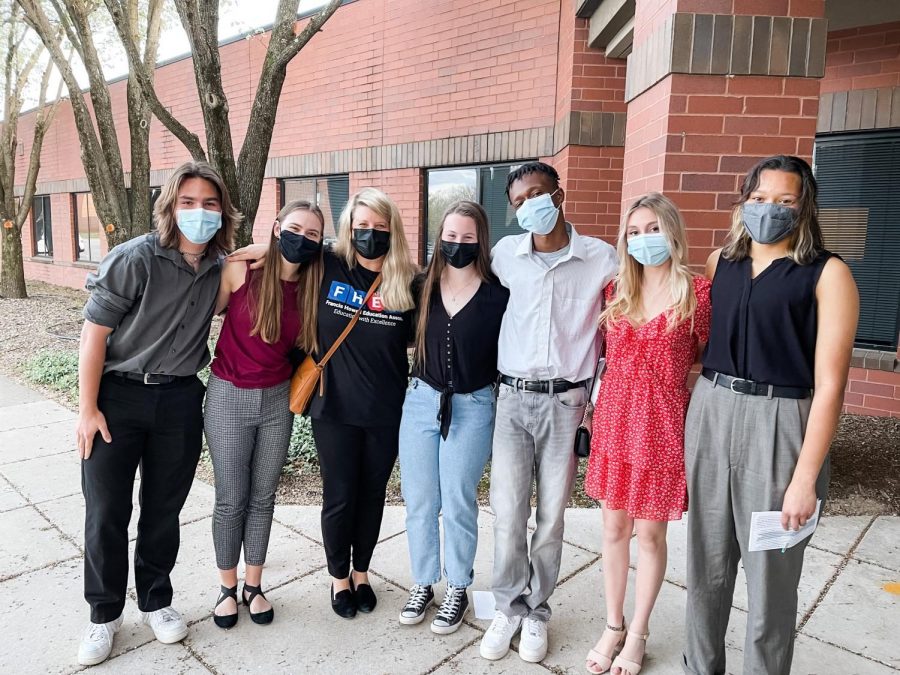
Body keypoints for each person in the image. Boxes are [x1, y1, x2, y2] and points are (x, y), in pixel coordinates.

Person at [682, 155, 858, 675]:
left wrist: (805, 479)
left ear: (804, 207)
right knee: (706, 567)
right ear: (743, 201)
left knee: (770, 577)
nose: (769, 209)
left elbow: (830, 386)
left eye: (785, 201)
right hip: (712, 411)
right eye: (759, 198)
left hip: (782, 422)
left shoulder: (828, 274)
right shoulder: (721, 263)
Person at [75, 161, 239, 666]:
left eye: (210, 203)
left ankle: (156, 600)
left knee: (163, 510)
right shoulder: (135, 259)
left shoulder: (220, 265)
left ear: (223, 212)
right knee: (106, 512)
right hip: (118, 398)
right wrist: (87, 410)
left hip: (180, 399)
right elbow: (94, 335)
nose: (199, 212)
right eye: (187, 202)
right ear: (169, 207)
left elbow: (241, 283)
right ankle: (103, 615)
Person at [480, 161, 618, 663]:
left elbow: (618, 333)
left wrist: (597, 405)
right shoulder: (503, 257)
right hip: (512, 399)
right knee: (508, 512)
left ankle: (537, 611)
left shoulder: (603, 259)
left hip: (567, 401)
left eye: (536, 194)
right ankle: (508, 607)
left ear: (559, 194)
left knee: (552, 517)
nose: (528, 206)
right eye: (518, 201)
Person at [583, 194, 711, 675]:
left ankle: (638, 632)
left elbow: (708, 356)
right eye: (633, 231)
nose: (642, 239)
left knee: (651, 537)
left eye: (652, 228)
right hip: (615, 421)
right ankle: (612, 625)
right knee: (614, 528)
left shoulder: (698, 292)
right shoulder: (616, 289)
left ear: (672, 232)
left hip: (660, 427)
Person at [205, 200, 324, 629]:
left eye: (313, 235)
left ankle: (254, 585)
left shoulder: (315, 285)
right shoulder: (241, 272)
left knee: (263, 497)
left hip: (277, 401)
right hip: (228, 396)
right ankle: (226, 588)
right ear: (276, 228)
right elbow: (205, 306)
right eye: (294, 229)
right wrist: (254, 249)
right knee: (230, 498)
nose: (302, 239)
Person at [397, 201, 509, 634]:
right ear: (439, 237)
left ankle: (458, 585)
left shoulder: (499, 294)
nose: (456, 244)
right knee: (421, 501)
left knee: (459, 502)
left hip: (474, 406)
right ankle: (424, 581)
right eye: (450, 236)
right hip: (420, 402)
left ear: (480, 241)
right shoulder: (421, 285)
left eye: (467, 238)